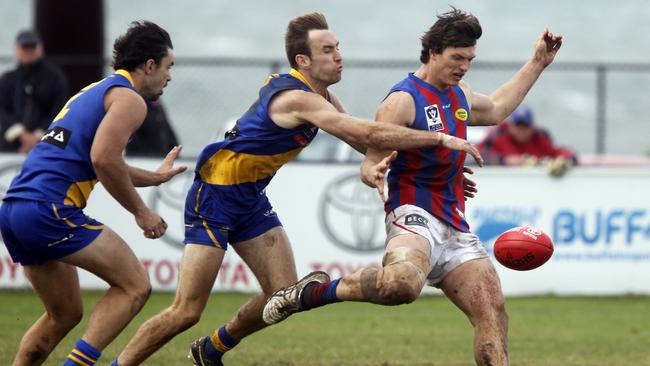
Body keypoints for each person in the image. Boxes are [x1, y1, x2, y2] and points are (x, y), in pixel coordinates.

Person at [113, 12, 483, 366]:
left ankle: (212, 349)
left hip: (249, 197)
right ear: (303, 61)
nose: (339, 56)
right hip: (214, 194)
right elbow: (369, 133)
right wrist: (439, 140)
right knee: (187, 310)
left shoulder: (321, 97)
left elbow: (368, 147)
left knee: (282, 296)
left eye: (338, 47)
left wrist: (438, 173)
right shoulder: (295, 97)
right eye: (327, 51)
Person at [263, 8, 562, 366]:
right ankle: (313, 292)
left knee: (492, 312)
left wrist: (538, 62)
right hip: (413, 214)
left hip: (453, 224)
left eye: (469, 59)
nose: (464, 66)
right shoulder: (402, 101)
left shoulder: (460, 94)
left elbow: (497, 109)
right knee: (400, 286)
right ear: (433, 52)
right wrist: (374, 173)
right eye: (456, 58)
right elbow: (370, 161)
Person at [0, 21, 186, 366]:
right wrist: (141, 212)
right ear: (149, 65)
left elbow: (99, 158)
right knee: (135, 286)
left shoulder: (94, 91)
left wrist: (155, 177)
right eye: (168, 66)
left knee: (64, 314)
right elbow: (104, 158)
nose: (169, 76)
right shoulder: (131, 100)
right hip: (49, 209)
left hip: (15, 209)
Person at [0, 29, 69, 153]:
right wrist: (20, 134)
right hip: (11, 143)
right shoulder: (8, 79)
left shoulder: (55, 78)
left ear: (40, 48)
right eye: (24, 47)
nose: (28, 51)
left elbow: (60, 108)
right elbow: (2, 110)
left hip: (47, 141)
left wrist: (38, 135)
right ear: (16, 49)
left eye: (32, 46)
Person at [478, 105, 577, 176]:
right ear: (510, 126)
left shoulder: (540, 137)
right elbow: (478, 157)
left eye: (525, 126)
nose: (521, 131)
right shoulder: (497, 136)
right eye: (518, 126)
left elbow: (558, 152)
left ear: (533, 127)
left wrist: (566, 160)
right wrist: (504, 161)